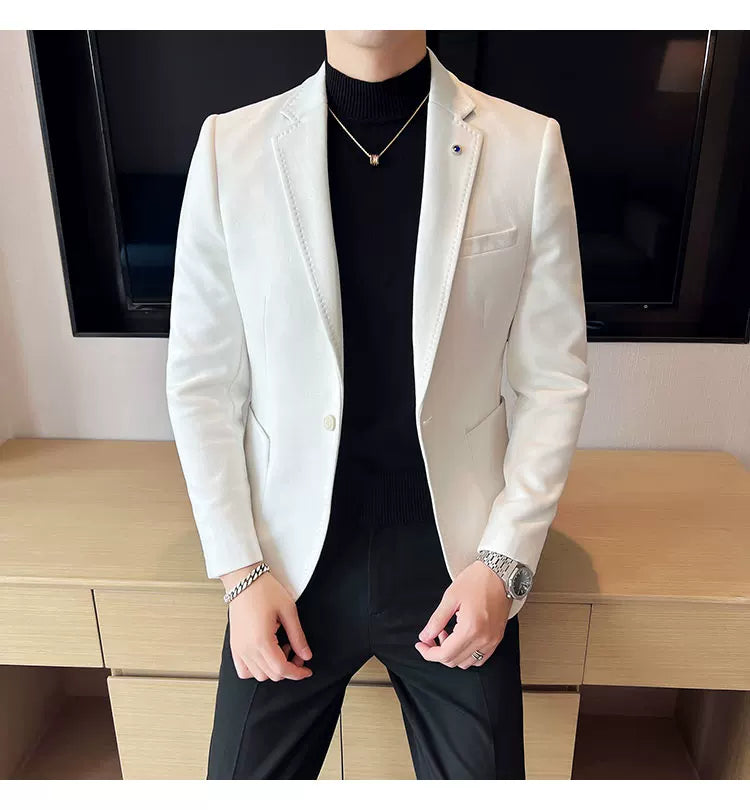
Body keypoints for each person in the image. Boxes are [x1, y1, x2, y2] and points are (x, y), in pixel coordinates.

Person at [165, 30, 590, 780]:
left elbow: (552, 380)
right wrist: (239, 572)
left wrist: (503, 565)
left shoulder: (527, 147)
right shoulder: (231, 149)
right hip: (286, 567)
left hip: (456, 565)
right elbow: (202, 380)